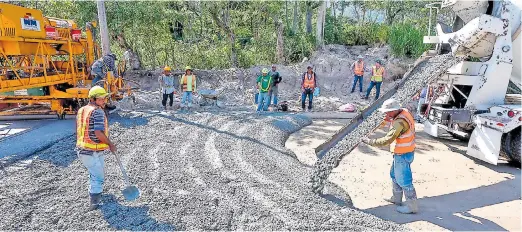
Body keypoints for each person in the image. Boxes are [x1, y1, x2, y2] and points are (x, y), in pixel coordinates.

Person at [362, 98, 418, 214]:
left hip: (403, 153)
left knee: (404, 180)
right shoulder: (403, 112)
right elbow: (390, 121)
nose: (386, 114)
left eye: (388, 112)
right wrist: (383, 121)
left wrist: (369, 141)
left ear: (394, 110)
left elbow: (387, 140)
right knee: (394, 175)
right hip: (405, 152)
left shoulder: (399, 122)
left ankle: (412, 206)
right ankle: (396, 199)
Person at [76, 86, 117, 210]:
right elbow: (98, 132)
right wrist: (111, 144)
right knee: (98, 177)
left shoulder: (82, 110)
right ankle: (94, 202)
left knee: (95, 173)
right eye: (102, 98)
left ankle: (95, 193)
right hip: (91, 151)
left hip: (84, 150)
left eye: (105, 98)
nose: (105, 101)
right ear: (93, 99)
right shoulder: (97, 111)